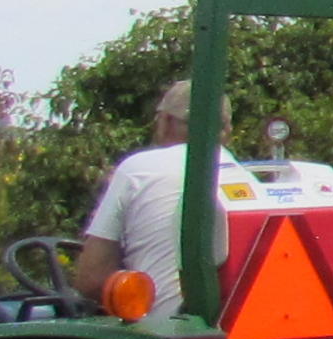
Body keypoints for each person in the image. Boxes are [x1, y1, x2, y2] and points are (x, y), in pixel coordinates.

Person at [73, 78, 236, 318]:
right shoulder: (242, 176)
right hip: (228, 325)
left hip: (162, 328)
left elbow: (91, 279)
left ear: (165, 121)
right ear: (227, 132)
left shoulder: (138, 169)